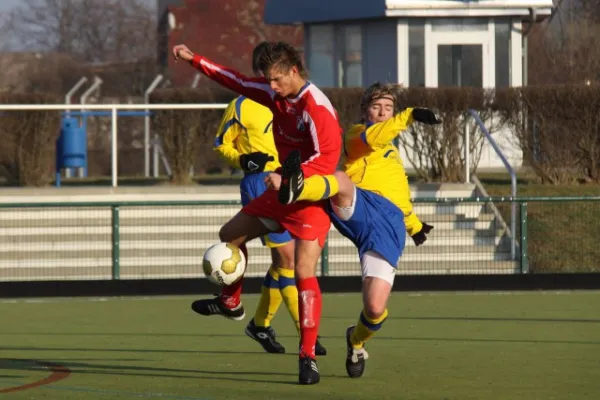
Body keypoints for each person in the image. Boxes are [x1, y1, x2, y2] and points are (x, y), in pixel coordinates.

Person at [173, 41, 342, 385]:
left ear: (294, 71)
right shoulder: (273, 92)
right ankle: (231, 302)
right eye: (270, 80)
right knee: (228, 236)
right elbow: (235, 80)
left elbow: (326, 162)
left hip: (309, 196)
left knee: (302, 271)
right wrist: (195, 59)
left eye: (278, 80)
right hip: (281, 191)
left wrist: (288, 175)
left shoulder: (317, 108)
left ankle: (307, 356)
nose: (273, 87)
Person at [276, 82, 439, 378]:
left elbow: (400, 195)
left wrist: (414, 225)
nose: (383, 113)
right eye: (377, 107)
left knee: (375, 308)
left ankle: (356, 340)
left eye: (388, 108)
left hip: (389, 226)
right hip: (361, 206)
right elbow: (375, 137)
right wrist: (409, 115)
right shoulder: (356, 135)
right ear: (365, 110)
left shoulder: (392, 154)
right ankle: (295, 187)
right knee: (340, 179)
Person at [202, 43, 326, 357]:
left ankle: (259, 324)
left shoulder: (295, 102)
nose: (270, 82)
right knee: (287, 260)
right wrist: (244, 161)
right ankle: (304, 333)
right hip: (260, 184)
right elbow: (221, 144)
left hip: (291, 183)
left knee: (283, 263)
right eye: (265, 74)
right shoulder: (242, 105)